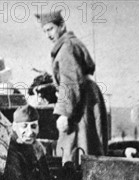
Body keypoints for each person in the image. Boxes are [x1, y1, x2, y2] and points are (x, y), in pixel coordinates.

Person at [35, 10, 109, 164]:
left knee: (77, 147)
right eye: (45, 31)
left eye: (50, 29)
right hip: (85, 96)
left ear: (62, 25)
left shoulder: (67, 47)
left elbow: (71, 82)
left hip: (80, 103)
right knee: (90, 144)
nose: (48, 35)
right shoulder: (70, 44)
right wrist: (51, 87)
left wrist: (64, 114)